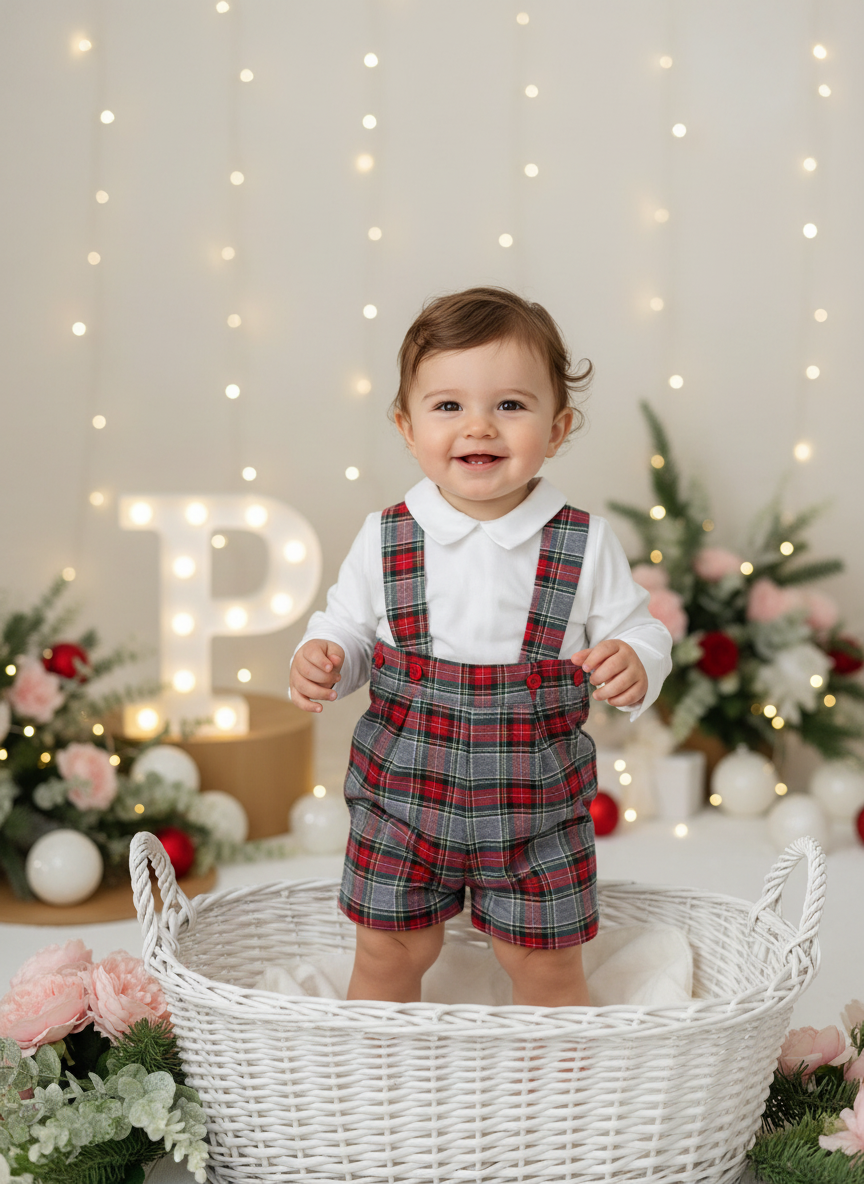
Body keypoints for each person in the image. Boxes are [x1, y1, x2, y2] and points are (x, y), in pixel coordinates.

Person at [289, 287, 672, 1008]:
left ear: (556, 429)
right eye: (448, 407)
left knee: (547, 966)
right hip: (401, 802)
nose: (479, 428)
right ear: (407, 426)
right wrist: (328, 657)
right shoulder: (386, 534)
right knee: (386, 951)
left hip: (537, 808)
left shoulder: (582, 541)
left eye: (510, 405)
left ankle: (562, 1097)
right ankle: (373, 1078)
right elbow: (349, 628)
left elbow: (641, 627)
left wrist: (635, 659)